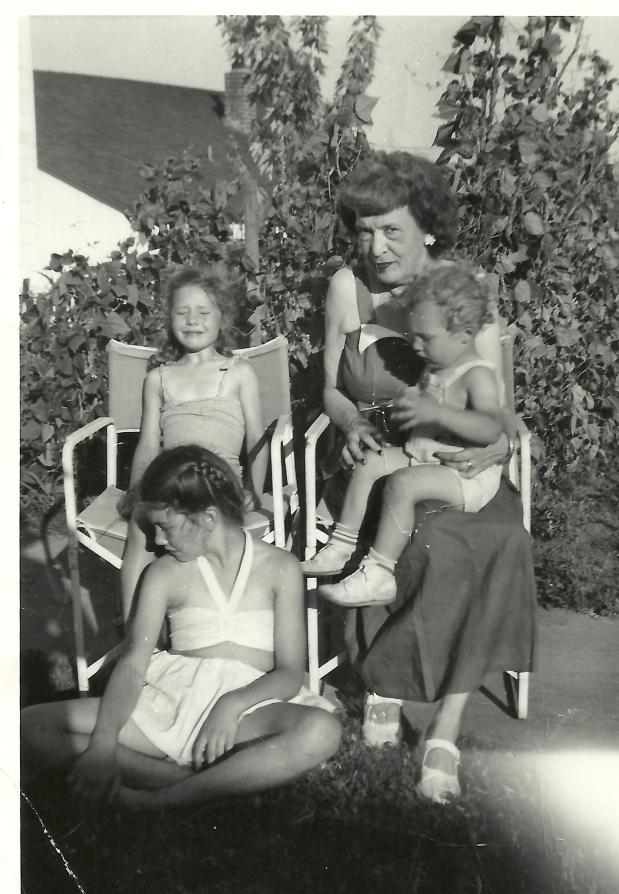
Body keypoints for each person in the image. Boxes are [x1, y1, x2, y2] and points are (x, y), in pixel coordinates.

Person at [310, 150, 534, 804]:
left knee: (498, 542)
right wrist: (350, 423)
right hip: (370, 464)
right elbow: (329, 388)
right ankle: (387, 685)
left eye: (391, 230)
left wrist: (496, 448)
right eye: (363, 229)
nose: (374, 247)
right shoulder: (345, 289)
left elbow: (498, 407)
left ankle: (445, 724)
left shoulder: (457, 294)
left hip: (457, 463)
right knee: (430, 543)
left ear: (427, 226)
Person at [21, 445, 341, 809]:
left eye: (165, 527)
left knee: (322, 730)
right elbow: (134, 663)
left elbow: (288, 673)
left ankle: (161, 799)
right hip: (171, 702)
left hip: (250, 707)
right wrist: (103, 744)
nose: (157, 541)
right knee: (30, 725)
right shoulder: (164, 574)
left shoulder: (279, 567)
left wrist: (231, 705)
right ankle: (199, 785)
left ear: (206, 518)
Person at [306, 261, 504, 608]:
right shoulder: (438, 367)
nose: (417, 347)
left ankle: (379, 572)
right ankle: (341, 544)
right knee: (370, 462)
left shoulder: (477, 376)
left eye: (426, 339)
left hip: (464, 474)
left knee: (403, 484)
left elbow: (490, 428)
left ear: (463, 334)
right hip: (424, 453)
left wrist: (439, 412)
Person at [119, 265, 268, 625]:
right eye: (182, 312)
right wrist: (140, 490)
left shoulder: (238, 372)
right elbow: (148, 445)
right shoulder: (159, 379)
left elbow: (257, 438)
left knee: (193, 523)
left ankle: (189, 620)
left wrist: (255, 490)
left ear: (222, 318)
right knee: (142, 525)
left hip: (219, 483)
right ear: (169, 319)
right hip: (171, 483)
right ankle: (135, 630)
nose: (192, 320)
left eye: (204, 312)